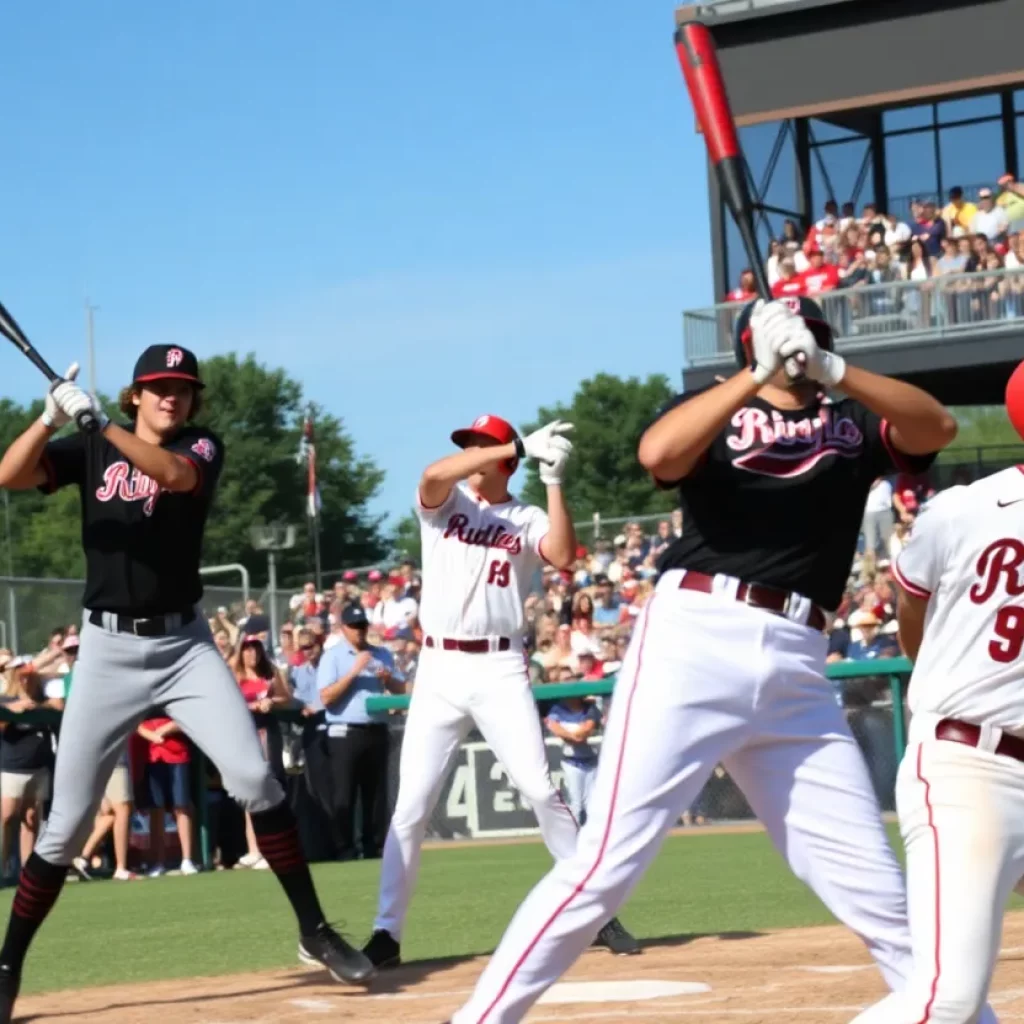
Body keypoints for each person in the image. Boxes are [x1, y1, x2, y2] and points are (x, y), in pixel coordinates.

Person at [444, 297, 999, 1024]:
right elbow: (658, 456)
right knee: (606, 866)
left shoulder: (854, 420)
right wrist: (752, 375)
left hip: (801, 659)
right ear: (751, 347)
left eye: (816, 339)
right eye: (793, 342)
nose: (804, 352)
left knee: (883, 898)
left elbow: (939, 425)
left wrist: (834, 370)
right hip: (697, 634)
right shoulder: (710, 407)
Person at [0, 346, 372, 1022]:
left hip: (183, 645)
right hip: (107, 648)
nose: (172, 397)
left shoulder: (201, 444)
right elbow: (9, 475)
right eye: (158, 388)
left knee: (255, 780)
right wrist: (48, 419)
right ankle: (6, 967)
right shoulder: (91, 446)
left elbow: (172, 475)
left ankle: (314, 930)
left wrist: (97, 428)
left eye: (182, 389)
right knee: (64, 827)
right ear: (135, 394)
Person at [363, 413, 638, 971]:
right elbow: (433, 473)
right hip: (439, 668)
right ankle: (386, 934)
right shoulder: (446, 504)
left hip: (499, 666)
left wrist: (555, 481)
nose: (471, 453)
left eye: (480, 445)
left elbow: (562, 555)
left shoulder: (526, 513)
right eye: (469, 445)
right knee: (410, 808)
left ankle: (594, 909)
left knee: (540, 789)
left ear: (507, 463)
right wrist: (508, 445)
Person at [851, 361, 1024, 1024]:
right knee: (948, 998)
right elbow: (914, 623)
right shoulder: (964, 509)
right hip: (969, 768)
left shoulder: (957, 508)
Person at [317, 603, 403, 861]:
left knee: (376, 794)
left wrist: (389, 680)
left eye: (363, 626)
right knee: (344, 793)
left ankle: (374, 846)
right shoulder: (333, 656)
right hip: (345, 731)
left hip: (376, 729)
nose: (359, 631)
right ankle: (344, 849)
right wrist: (354, 671)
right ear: (344, 628)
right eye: (354, 627)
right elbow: (326, 697)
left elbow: (402, 689)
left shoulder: (382, 654)